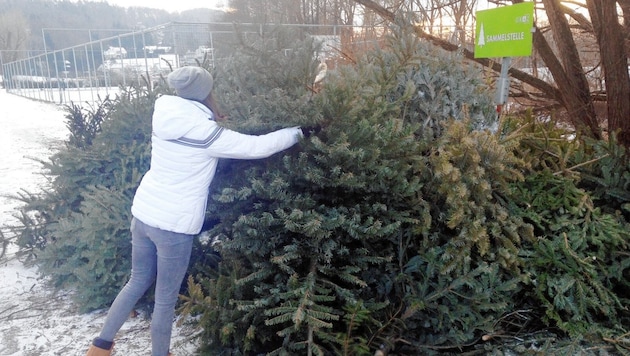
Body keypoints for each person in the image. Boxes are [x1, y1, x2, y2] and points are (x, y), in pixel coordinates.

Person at [86, 66, 309, 356]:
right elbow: (258, 147)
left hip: (143, 214)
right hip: (173, 226)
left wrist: (214, 121)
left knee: (136, 280)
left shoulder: (165, 115)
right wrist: (298, 132)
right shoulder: (207, 133)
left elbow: (196, 132)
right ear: (206, 92)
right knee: (165, 300)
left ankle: (100, 347)